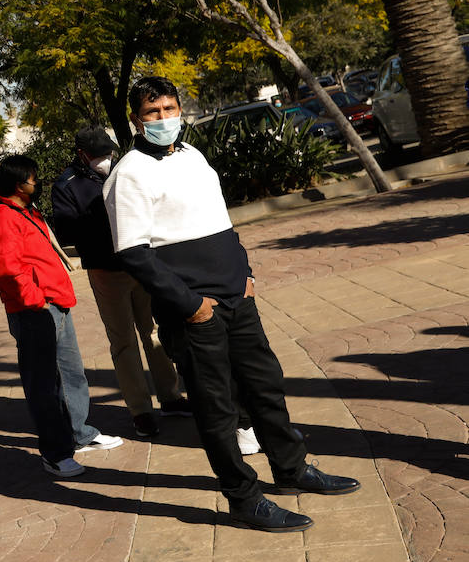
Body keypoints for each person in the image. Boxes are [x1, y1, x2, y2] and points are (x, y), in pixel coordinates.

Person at [104, 75, 360, 532]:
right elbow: (132, 253)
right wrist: (190, 304)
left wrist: (245, 274)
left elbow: (221, 222)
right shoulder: (129, 174)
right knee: (216, 407)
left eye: (169, 109)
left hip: (236, 297)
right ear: (136, 121)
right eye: (152, 113)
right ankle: (244, 497)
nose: (164, 119)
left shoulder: (192, 155)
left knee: (265, 386)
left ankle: (292, 469)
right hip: (195, 311)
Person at [0, 154, 121, 479]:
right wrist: (37, 303)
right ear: (17, 183)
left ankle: (80, 434)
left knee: (71, 374)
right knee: (45, 386)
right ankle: (55, 453)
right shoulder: (1, 217)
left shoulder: (22, 209)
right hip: (34, 310)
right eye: (32, 179)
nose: (36, 183)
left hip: (53, 302)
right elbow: (9, 269)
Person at [52, 125, 189, 439]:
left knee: (154, 334)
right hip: (105, 271)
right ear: (82, 155)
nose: (105, 159)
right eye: (98, 155)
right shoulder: (66, 185)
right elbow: (67, 230)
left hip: (141, 264)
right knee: (123, 342)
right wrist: (102, 217)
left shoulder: (125, 169)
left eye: (108, 153)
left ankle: (170, 397)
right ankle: (140, 411)